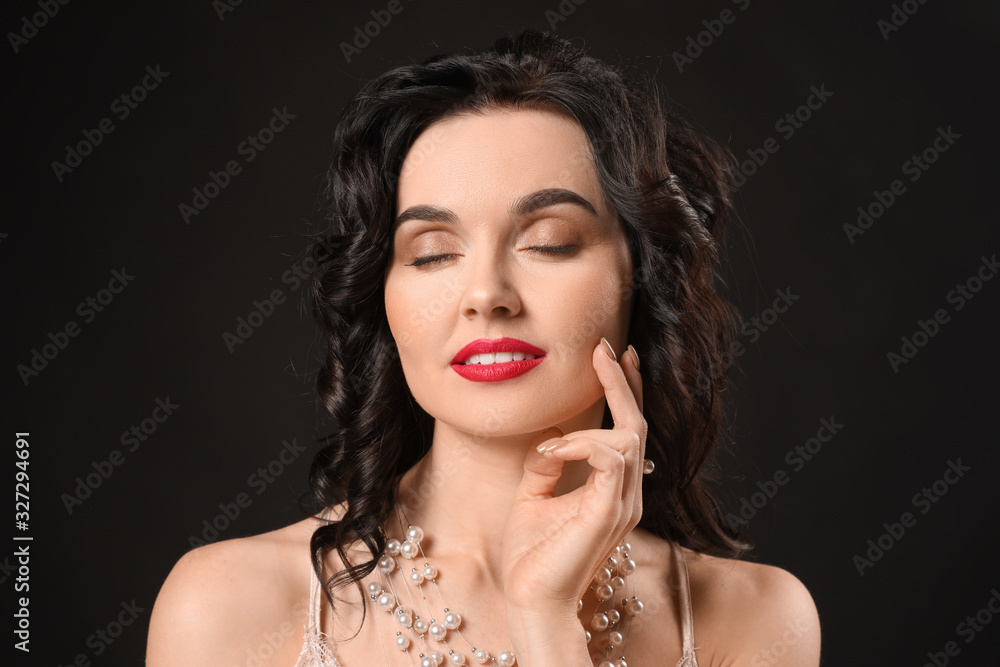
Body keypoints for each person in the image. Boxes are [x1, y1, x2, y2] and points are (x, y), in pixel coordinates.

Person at [147, 29, 821, 667]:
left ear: (643, 278)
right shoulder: (226, 608)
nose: (486, 294)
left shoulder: (752, 621)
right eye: (433, 252)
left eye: (549, 241)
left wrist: (546, 617)